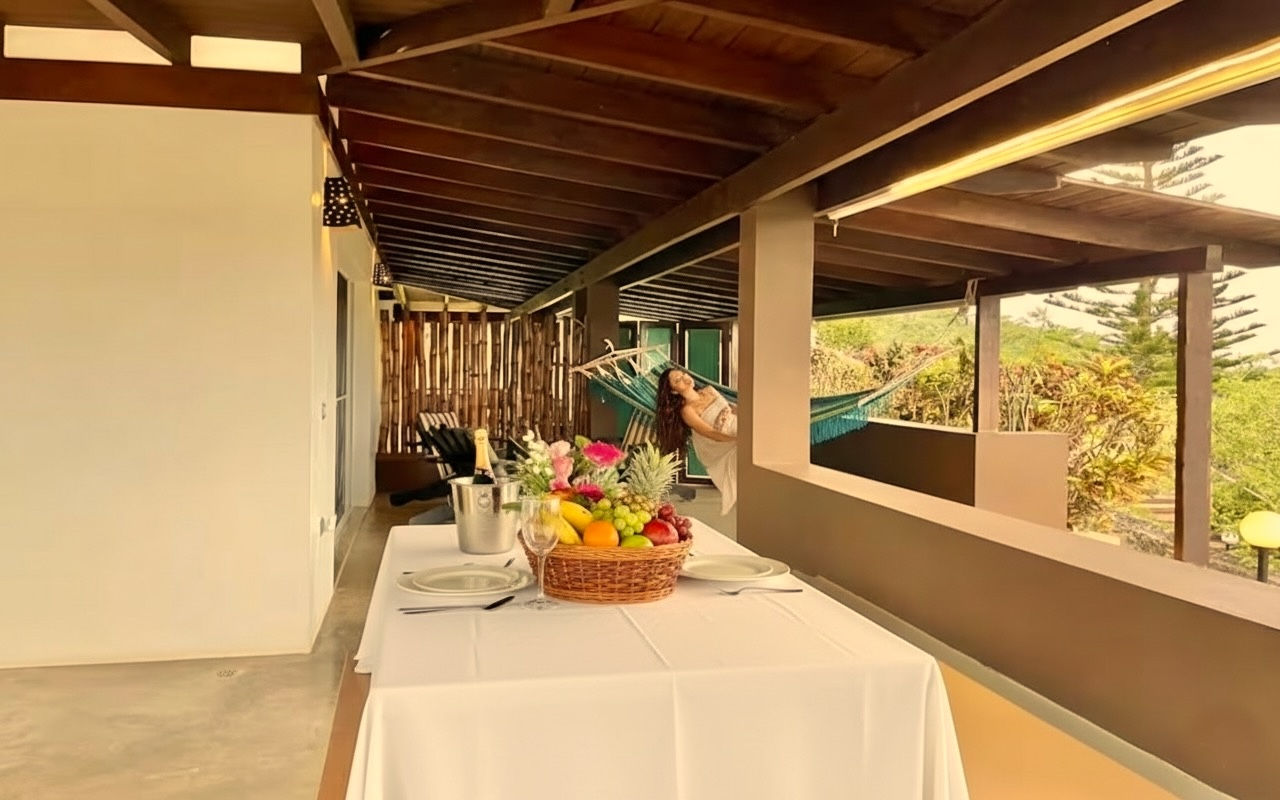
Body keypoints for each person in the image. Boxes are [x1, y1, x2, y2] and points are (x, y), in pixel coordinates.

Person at [655, 367, 737, 514]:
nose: (684, 378)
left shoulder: (709, 390)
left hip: (738, 423)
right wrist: (736, 439)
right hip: (728, 436)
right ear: (674, 391)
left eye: (683, 374)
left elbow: (731, 408)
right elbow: (710, 433)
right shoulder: (687, 411)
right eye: (677, 380)